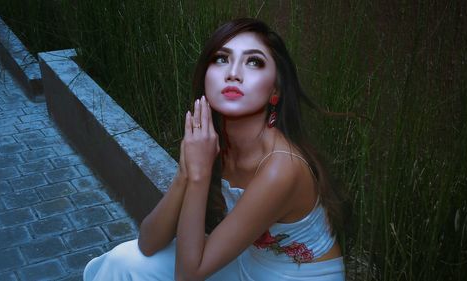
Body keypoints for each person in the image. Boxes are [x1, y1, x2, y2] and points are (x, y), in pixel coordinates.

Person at [83, 18, 347, 281]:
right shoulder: (211, 143)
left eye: (253, 61)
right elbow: (148, 243)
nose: (233, 72)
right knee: (124, 261)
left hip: (295, 278)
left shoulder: (281, 168)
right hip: (247, 263)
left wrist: (199, 176)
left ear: (274, 90)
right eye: (221, 58)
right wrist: (187, 172)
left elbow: (187, 276)